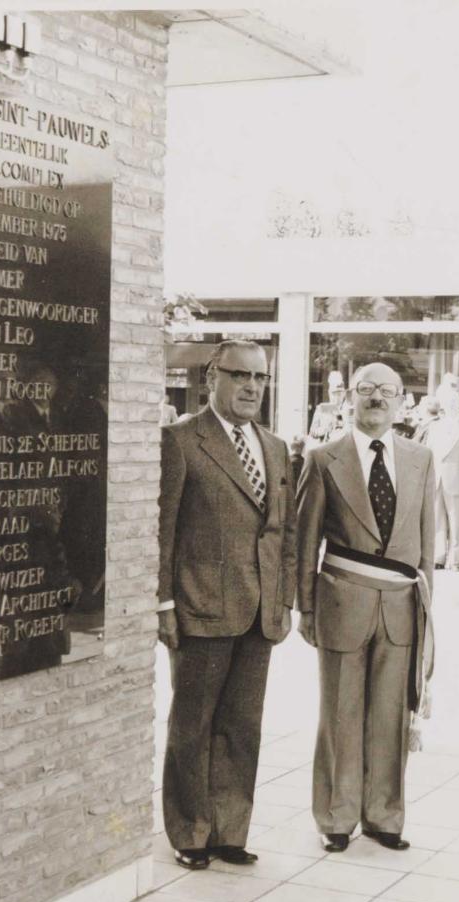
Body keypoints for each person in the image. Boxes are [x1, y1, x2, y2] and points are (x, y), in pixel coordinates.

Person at [158, 340, 297, 870]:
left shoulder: (276, 447)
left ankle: (229, 831)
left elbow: (283, 533)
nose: (251, 387)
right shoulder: (181, 441)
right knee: (192, 724)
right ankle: (190, 832)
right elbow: (163, 529)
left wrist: (283, 600)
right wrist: (163, 603)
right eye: (240, 375)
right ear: (212, 377)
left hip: (260, 611)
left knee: (243, 726)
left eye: (260, 378)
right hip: (201, 606)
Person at [296, 362, 435, 854]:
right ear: (349, 398)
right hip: (341, 600)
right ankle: (336, 817)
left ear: (401, 401)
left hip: (400, 607)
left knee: (391, 716)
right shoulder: (323, 458)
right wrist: (305, 609)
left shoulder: (421, 458)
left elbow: (426, 546)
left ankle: (384, 816)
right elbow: (304, 539)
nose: (377, 398)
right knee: (341, 710)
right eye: (367, 389)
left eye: (387, 391)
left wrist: (426, 612)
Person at [423, 389, 459, 571]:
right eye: (448, 402)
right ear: (443, 406)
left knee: (456, 521)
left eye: (455, 401)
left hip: (458, 480)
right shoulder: (435, 426)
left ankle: (455, 559)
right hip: (436, 478)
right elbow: (429, 454)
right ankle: (438, 557)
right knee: (437, 520)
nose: (451, 405)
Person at [308, 370, 346, 445]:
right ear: (329, 393)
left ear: (344, 394)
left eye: (339, 393)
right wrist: (322, 430)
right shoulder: (322, 409)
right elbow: (312, 432)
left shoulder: (347, 410)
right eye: (334, 393)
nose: (337, 397)